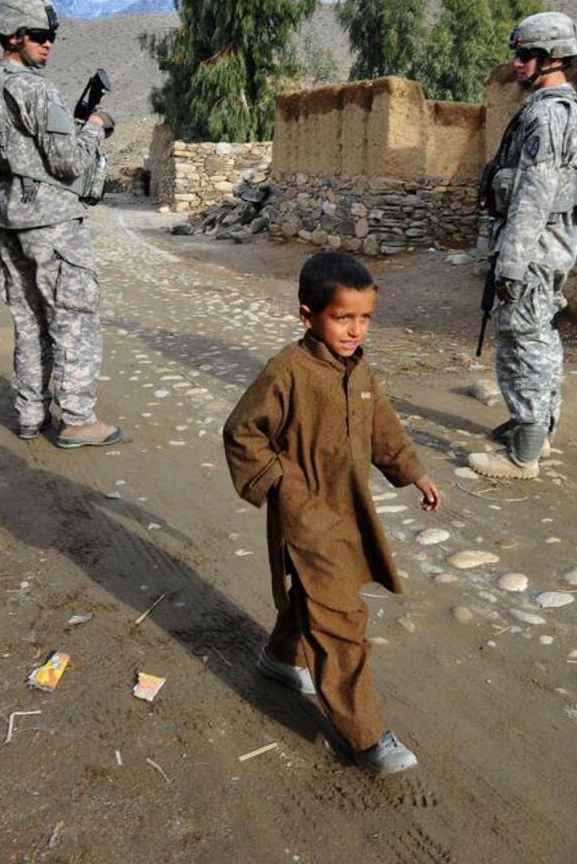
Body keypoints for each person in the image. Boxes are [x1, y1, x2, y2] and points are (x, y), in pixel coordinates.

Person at [223, 252, 441, 776]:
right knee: (342, 619)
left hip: (349, 511)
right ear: (308, 315)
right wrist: (283, 484)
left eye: (364, 318)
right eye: (343, 317)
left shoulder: (359, 367)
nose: (355, 329)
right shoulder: (288, 370)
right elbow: (241, 432)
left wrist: (414, 472)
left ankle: (279, 658)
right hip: (306, 517)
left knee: (320, 600)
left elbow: (383, 427)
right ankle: (361, 736)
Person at [0, 0, 121, 447]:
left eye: (51, 36)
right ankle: (76, 419)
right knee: (73, 317)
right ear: (13, 37)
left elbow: (9, 156)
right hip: (51, 223)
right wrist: (94, 129)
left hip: (11, 219)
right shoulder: (36, 89)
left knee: (31, 320)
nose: (48, 44)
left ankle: (30, 414)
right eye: (39, 36)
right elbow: (68, 162)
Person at [469, 12, 577, 480]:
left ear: (553, 58)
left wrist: (511, 262)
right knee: (542, 338)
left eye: (527, 55)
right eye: (518, 54)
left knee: (521, 340)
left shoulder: (546, 114)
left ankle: (523, 452)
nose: (517, 64)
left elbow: (533, 195)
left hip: (534, 248)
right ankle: (537, 430)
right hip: (556, 245)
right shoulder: (575, 110)